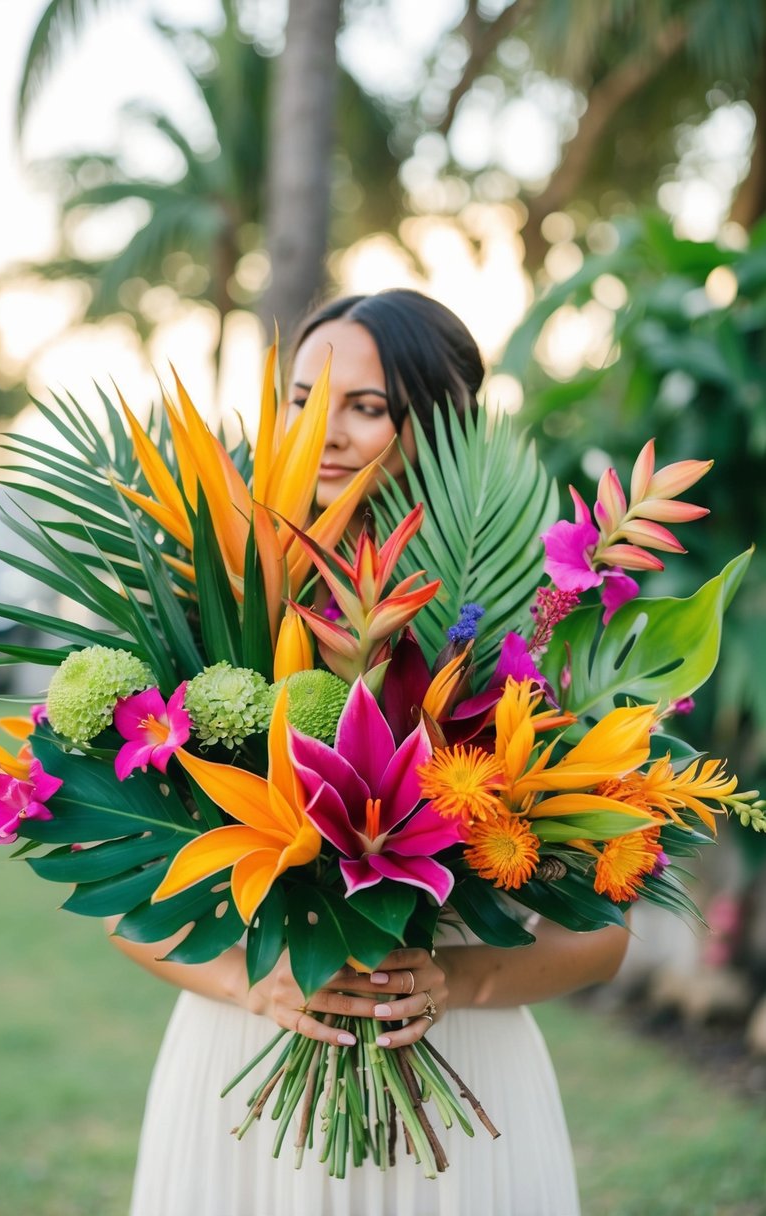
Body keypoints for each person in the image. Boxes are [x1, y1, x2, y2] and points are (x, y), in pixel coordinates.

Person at [107, 289, 629, 1216]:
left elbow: (606, 936)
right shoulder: (207, 611)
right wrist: (256, 986)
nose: (326, 431)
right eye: (304, 398)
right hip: (242, 1061)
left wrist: (452, 980)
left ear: (437, 420)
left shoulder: (524, 633)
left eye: (367, 404)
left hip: (457, 1065)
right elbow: (122, 896)